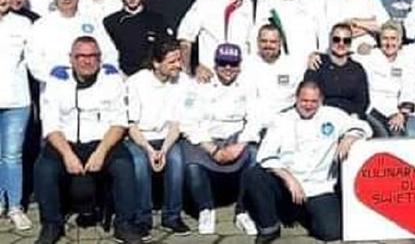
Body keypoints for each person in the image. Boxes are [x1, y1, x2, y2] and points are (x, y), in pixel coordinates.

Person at [34, 36, 141, 244]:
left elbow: (119, 122)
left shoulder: (111, 79)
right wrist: (67, 155)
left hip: (102, 141)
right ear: (71, 59)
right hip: (65, 142)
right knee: (44, 168)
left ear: (100, 58)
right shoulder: (57, 81)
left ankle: (125, 224)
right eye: (81, 56)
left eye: (92, 56)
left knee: (124, 166)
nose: (87, 61)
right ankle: (51, 224)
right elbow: (51, 124)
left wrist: (100, 152)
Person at [243, 81, 371, 243]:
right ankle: (270, 227)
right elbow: (266, 155)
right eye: (304, 100)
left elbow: (363, 127)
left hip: (318, 187)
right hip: (286, 184)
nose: (308, 105)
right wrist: (289, 178)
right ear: (296, 99)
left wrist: (350, 136)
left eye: (313, 101)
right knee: (254, 175)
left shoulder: (333, 115)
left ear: (321, 100)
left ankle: (304, 213)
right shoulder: (282, 119)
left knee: (331, 233)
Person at [180, 43, 259, 236]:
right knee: (192, 164)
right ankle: (205, 209)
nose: (228, 68)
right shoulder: (199, 84)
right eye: (223, 63)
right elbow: (188, 122)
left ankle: (243, 210)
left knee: (255, 157)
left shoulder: (248, 85)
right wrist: (212, 149)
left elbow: (257, 118)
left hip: (235, 137)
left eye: (233, 64)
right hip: (207, 138)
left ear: (239, 65)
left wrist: (240, 145)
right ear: (215, 65)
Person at [125, 38, 190, 236]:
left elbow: (175, 124)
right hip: (139, 138)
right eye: (172, 61)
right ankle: (142, 218)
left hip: (167, 137)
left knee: (176, 161)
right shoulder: (136, 82)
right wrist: (149, 150)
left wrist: (163, 150)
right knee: (139, 164)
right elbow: (131, 126)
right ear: (156, 63)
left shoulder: (182, 81)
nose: (178, 65)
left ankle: (172, 216)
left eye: (179, 59)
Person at [27, 0, 119, 83]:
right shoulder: (41, 25)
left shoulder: (92, 22)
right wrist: (49, 73)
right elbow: (33, 58)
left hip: (91, 86)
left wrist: (109, 65)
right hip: (55, 86)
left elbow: (109, 50)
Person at [177, 0, 254, 78]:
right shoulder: (205, 2)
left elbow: (250, 42)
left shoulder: (248, 4)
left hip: (240, 76)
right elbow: (185, 38)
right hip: (210, 75)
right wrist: (189, 71)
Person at [0, 0, 33, 232]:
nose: (3, 0)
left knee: (12, 156)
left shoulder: (23, 25)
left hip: (16, 102)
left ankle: (15, 207)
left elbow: (36, 59)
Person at [242, 25, 307, 136]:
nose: (268, 45)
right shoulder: (246, 64)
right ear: (257, 42)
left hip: (284, 126)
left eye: (273, 42)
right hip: (251, 126)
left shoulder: (294, 66)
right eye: (264, 41)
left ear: (280, 42)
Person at [254, 0, 322, 64]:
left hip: (309, 62)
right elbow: (257, 34)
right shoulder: (267, 4)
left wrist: (319, 55)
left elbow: (322, 33)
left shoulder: (311, 1)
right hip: (281, 65)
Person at [103, 0, 169, 76]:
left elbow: (164, 51)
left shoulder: (157, 20)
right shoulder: (110, 22)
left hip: (149, 77)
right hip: (121, 76)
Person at [303, 22, 370, 118]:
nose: (341, 44)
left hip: (350, 117)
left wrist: (355, 116)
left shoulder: (357, 69)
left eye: (346, 40)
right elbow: (309, 95)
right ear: (330, 40)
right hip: (322, 117)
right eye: (336, 39)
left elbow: (362, 101)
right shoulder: (318, 63)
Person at [354, 21, 405, 137]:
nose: (389, 43)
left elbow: (409, 89)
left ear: (400, 41)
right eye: (385, 39)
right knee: (383, 138)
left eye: (393, 39)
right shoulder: (369, 56)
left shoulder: (406, 59)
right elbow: (344, 58)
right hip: (372, 110)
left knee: (399, 139)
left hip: (394, 112)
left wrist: (402, 113)